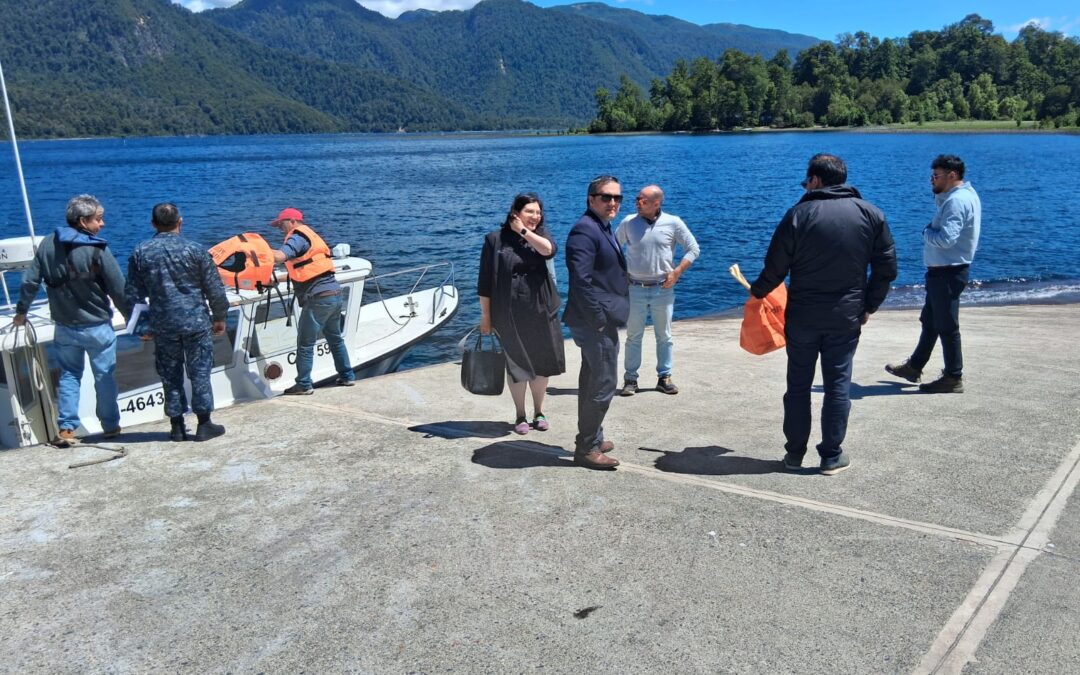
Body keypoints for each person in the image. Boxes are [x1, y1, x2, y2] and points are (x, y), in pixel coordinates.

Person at [750, 154, 896, 476]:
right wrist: (869, 305)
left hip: (802, 317)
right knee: (838, 385)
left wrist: (756, 292)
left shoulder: (797, 216)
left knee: (798, 386)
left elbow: (774, 270)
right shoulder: (872, 215)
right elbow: (887, 269)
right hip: (846, 317)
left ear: (816, 180)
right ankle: (831, 455)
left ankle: (794, 454)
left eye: (807, 180)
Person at [14, 195, 130, 446]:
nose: (103, 224)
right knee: (104, 376)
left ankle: (67, 428)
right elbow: (118, 288)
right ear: (82, 221)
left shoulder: (46, 244)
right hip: (97, 326)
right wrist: (134, 318)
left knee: (69, 375)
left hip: (65, 326)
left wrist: (22, 312)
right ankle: (110, 426)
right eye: (98, 219)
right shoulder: (97, 248)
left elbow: (29, 282)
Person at [125, 203, 229, 442]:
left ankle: (177, 426)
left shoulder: (141, 252)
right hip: (196, 322)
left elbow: (132, 294)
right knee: (200, 371)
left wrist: (142, 327)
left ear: (153, 224)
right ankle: (204, 424)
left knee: (169, 374)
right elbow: (214, 289)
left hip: (162, 324)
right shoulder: (195, 250)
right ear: (180, 222)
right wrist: (220, 317)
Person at [885, 155, 981, 394]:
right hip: (945, 271)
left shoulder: (956, 202)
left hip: (948, 271)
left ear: (952, 175)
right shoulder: (957, 197)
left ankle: (953, 376)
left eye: (936, 176)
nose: (931, 180)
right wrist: (939, 195)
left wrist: (926, 232)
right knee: (930, 322)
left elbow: (946, 239)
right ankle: (914, 367)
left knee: (947, 326)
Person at [478, 193, 566, 434]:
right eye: (530, 211)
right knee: (516, 366)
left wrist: (524, 232)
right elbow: (485, 281)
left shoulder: (540, 236)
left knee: (542, 364)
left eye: (538, 212)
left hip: (541, 310)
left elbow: (549, 251)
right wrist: (486, 317)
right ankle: (520, 414)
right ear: (515, 213)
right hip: (508, 313)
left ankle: (539, 411)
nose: (535, 216)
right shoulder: (494, 240)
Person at [563, 175, 630, 470]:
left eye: (617, 198)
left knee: (591, 381)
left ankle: (593, 436)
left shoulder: (602, 226)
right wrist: (600, 320)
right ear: (591, 199)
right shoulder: (584, 231)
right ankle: (587, 448)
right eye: (606, 197)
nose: (612, 202)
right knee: (603, 384)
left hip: (598, 320)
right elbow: (581, 280)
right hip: (594, 323)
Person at [615, 184, 700, 397]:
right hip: (634, 288)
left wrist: (677, 272)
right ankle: (630, 379)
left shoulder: (673, 222)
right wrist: (620, 274)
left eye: (642, 200)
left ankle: (664, 377)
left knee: (665, 336)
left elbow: (693, 249)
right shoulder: (628, 223)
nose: (637, 202)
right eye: (636, 198)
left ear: (656, 203)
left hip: (663, 288)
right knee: (634, 335)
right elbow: (613, 248)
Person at [270, 207, 356, 394]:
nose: (280, 228)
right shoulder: (311, 236)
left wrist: (254, 251)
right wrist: (277, 279)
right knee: (335, 339)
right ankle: (347, 376)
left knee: (305, 343)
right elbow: (308, 270)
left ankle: (303, 384)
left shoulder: (297, 237)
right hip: (333, 294)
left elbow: (279, 257)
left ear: (292, 221)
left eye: (281, 224)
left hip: (318, 299)